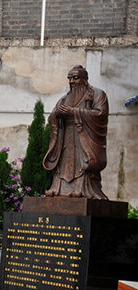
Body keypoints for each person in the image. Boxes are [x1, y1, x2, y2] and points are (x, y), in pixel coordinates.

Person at [43, 65, 109, 199]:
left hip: (84, 137)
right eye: (70, 78)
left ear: (85, 79)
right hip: (66, 137)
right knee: (63, 164)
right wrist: (57, 114)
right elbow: (51, 118)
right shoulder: (64, 99)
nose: (72, 81)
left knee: (82, 163)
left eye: (75, 78)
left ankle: (82, 189)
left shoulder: (97, 94)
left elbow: (101, 114)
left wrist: (74, 112)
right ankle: (58, 188)